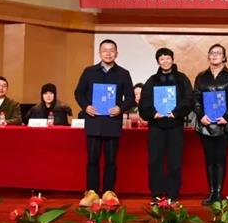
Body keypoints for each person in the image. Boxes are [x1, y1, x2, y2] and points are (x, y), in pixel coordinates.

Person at [74, 39, 135, 207]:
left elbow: (130, 97)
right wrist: (86, 106)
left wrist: (120, 108)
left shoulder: (123, 73)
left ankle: (109, 192)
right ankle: (91, 192)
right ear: (99, 53)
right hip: (93, 121)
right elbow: (79, 93)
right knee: (92, 159)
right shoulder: (89, 72)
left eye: (111, 50)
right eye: (105, 50)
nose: (108, 53)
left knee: (111, 160)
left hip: (112, 122)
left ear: (117, 53)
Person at [139, 48, 193, 203]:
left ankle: (172, 195)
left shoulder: (182, 79)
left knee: (175, 161)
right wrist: (153, 113)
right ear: (158, 62)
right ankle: (156, 194)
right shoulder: (152, 80)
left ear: (173, 60)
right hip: (156, 126)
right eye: (162, 59)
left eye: (168, 58)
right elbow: (144, 101)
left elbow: (188, 99)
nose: (165, 61)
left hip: (175, 125)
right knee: (154, 161)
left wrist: (176, 112)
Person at [193, 44, 228, 205]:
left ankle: (218, 193)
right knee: (209, 160)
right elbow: (196, 99)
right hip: (205, 125)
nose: (214, 55)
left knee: (220, 160)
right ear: (208, 56)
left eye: (218, 53)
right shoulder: (201, 77)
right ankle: (211, 192)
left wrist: (227, 117)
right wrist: (201, 116)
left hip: (223, 125)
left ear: (224, 57)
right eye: (212, 53)